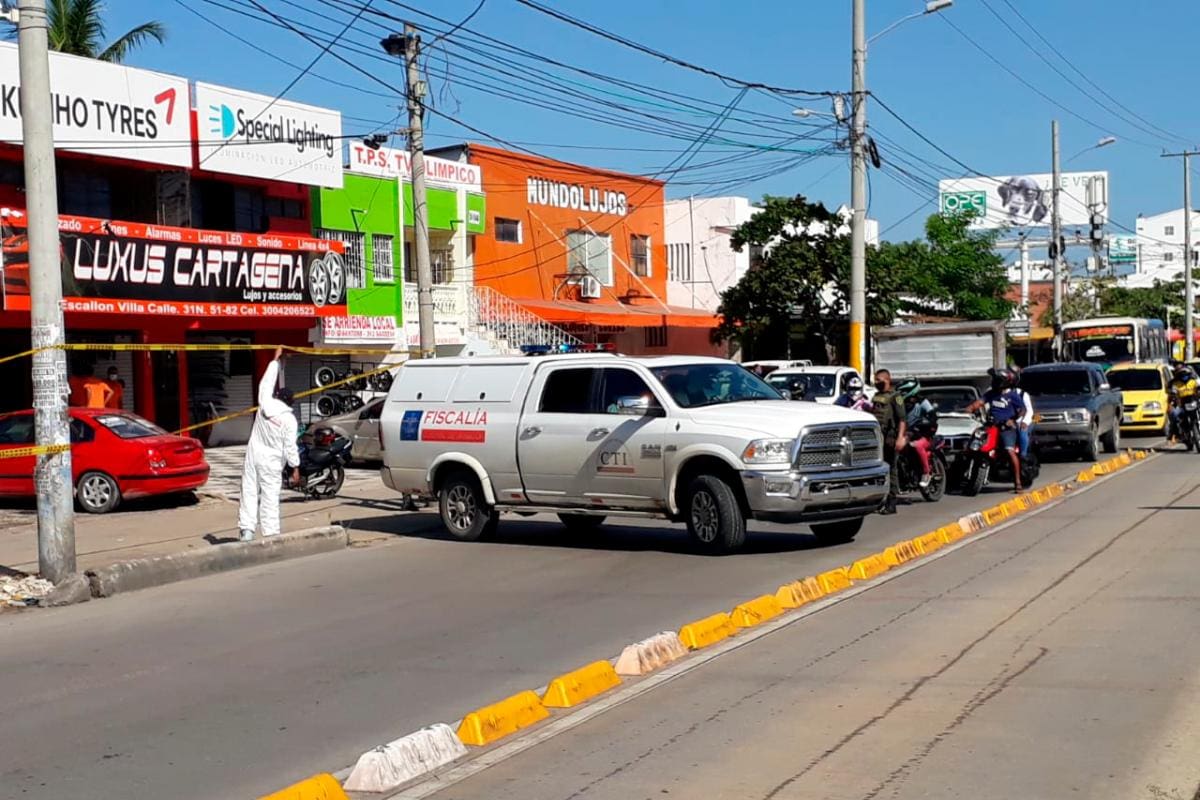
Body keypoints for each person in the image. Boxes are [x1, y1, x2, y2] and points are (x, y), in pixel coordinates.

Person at [239, 348, 301, 541]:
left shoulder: (265, 403)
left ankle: (246, 531)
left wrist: (275, 360)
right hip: (272, 462)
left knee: (248, 490)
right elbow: (290, 447)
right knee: (270, 497)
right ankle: (271, 534)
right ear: (290, 403)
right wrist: (295, 467)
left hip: (253, 455)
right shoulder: (289, 420)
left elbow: (265, 383)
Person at [967, 368, 1026, 492]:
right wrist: (969, 409)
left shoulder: (1012, 395)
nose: (993, 382)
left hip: (1006, 428)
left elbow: (1022, 410)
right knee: (973, 446)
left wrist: (1013, 419)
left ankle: (1018, 482)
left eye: (996, 380)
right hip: (991, 426)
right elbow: (978, 403)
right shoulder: (991, 394)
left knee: (1009, 451)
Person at [870, 369, 907, 514]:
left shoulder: (895, 397)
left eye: (879, 379)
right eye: (876, 380)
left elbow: (902, 419)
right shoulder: (877, 396)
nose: (876, 382)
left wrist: (900, 438)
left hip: (890, 437)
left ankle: (892, 502)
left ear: (887, 379)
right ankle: (879, 499)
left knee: (891, 469)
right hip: (878, 437)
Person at [897, 378, 936, 488]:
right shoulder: (900, 405)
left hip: (923, 434)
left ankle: (926, 473)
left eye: (903, 392)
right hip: (907, 434)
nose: (901, 394)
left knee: (916, 446)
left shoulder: (922, 402)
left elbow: (933, 416)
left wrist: (925, 425)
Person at [1167, 361, 1199, 444]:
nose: (1182, 373)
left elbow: (1198, 387)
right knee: (1173, 414)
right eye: (1178, 370)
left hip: (1194, 402)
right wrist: (1173, 396)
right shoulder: (1175, 383)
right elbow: (1171, 391)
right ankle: (1175, 433)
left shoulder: (1193, 380)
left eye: (1182, 369)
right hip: (1182, 405)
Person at [1014, 367, 1034, 458]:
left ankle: (1023, 455)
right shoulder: (999, 394)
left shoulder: (1022, 394)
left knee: (1022, 431)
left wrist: (1025, 422)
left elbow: (1029, 410)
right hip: (1007, 421)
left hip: (1022, 421)